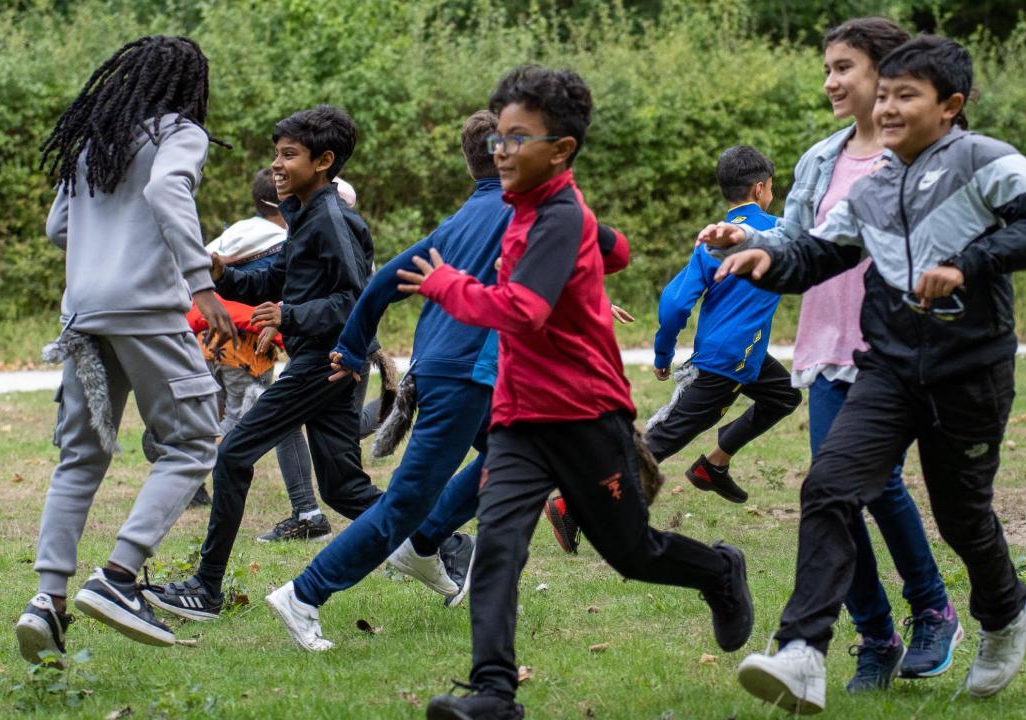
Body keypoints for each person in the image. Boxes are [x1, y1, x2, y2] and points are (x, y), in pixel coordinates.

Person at [708, 36, 1026, 711]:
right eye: (888, 93)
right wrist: (766, 259)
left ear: (951, 105)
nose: (890, 107)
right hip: (888, 370)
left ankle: (1007, 613)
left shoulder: (990, 161)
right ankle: (803, 653)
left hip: (971, 372)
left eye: (908, 95)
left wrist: (970, 263)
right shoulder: (872, 189)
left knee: (963, 517)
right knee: (830, 486)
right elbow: (816, 254)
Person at [398, 65, 754, 720]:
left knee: (632, 553)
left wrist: (446, 284)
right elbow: (613, 249)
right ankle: (494, 693)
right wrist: (593, 267)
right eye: (498, 137)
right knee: (500, 543)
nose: (499, 151)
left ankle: (718, 572)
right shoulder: (536, 208)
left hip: (586, 415)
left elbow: (524, 309)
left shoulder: (559, 214)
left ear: (560, 150)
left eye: (516, 138)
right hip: (518, 416)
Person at [719, 18, 960, 693]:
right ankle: (878, 636)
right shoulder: (821, 157)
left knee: (862, 483)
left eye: (844, 68)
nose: (830, 81)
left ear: (885, 74)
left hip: (893, 345)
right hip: (827, 343)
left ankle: (929, 610)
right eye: (827, 68)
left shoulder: (918, 154)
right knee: (836, 492)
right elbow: (797, 236)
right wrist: (744, 234)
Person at [15, 35, 237, 662]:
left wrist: (109, 247)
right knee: (193, 442)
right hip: (145, 309)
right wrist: (200, 281)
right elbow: (168, 192)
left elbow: (60, 227)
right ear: (190, 86)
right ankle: (116, 579)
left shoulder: (94, 140)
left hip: (83, 312)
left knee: (81, 457)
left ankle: (47, 601)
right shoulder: (179, 132)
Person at [261, 110, 512, 651]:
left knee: (521, 455)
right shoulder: (518, 212)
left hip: (450, 366)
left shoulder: (464, 219)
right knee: (403, 502)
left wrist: (352, 349)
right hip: (464, 373)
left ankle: (423, 543)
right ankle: (303, 593)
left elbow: (379, 287)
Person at [143, 105, 384, 620]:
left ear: (324, 161)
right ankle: (451, 548)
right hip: (325, 360)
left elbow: (356, 298)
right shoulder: (305, 215)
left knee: (232, 455)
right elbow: (274, 281)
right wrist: (224, 275)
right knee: (343, 488)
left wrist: (291, 314)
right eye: (276, 153)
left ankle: (206, 589)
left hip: (325, 361)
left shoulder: (333, 219)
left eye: (288, 155)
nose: (276, 163)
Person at [542, 145, 801, 552]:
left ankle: (713, 465)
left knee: (784, 394)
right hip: (725, 362)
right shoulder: (781, 231)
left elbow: (676, 301)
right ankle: (569, 501)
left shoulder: (711, 242)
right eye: (771, 188)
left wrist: (663, 353)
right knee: (661, 441)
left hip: (744, 358)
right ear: (760, 188)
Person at [178, 168, 328, 539]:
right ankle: (184, 468)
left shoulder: (236, 232)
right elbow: (284, 286)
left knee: (228, 415)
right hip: (247, 348)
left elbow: (199, 272)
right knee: (253, 421)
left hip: (210, 340)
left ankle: (183, 462)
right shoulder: (281, 236)